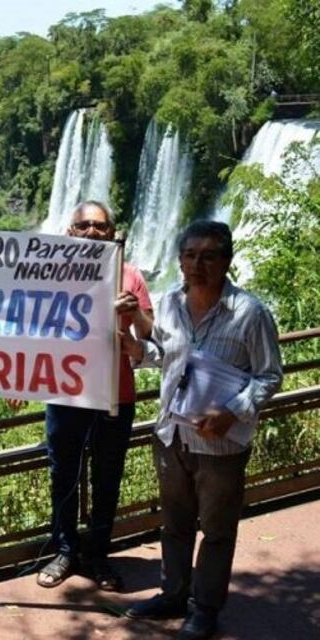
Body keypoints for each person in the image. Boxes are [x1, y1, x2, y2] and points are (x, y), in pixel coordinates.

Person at [122, 221, 282, 640]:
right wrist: (137, 349)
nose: (198, 264)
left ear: (227, 260)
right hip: (171, 434)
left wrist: (232, 413)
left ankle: (205, 609)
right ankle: (172, 594)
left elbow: (269, 376)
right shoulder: (171, 303)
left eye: (209, 256)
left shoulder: (251, 313)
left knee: (216, 529)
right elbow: (162, 354)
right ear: (180, 261)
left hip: (221, 442)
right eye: (190, 256)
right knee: (174, 523)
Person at [14, 201, 153, 592]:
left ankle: (98, 555)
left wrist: (132, 317)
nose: (93, 232)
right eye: (84, 226)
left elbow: (150, 333)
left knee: (108, 479)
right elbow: (33, 331)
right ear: (70, 232)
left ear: (114, 233)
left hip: (115, 395)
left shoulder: (131, 276)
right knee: (64, 475)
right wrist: (20, 381)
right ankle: (64, 551)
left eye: (101, 226)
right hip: (65, 393)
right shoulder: (51, 275)